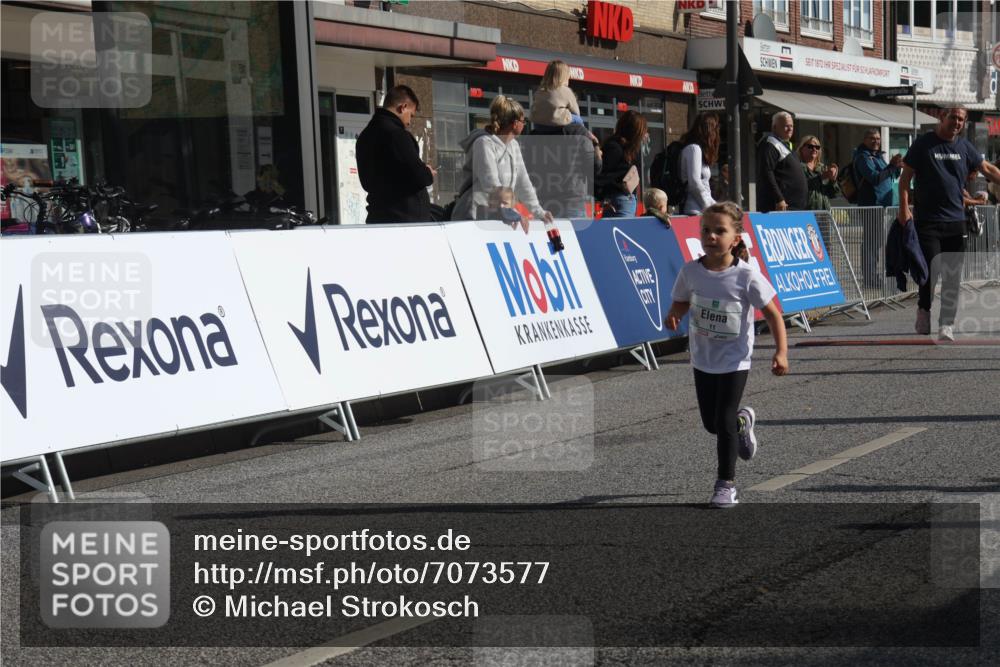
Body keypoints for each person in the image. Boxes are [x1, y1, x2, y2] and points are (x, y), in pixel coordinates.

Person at [665, 201, 788, 508]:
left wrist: (781, 352)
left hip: (735, 359)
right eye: (706, 230)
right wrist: (675, 314)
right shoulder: (691, 271)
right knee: (712, 424)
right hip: (703, 357)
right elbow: (681, 300)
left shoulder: (746, 276)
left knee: (722, 421)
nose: (711, 236)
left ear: (735, 239)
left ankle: (726, 485)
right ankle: (742, 423)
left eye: (720, 231)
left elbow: (773, 313)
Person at [898, 106, 1000, 340]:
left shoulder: (964, 147)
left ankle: (946, 324)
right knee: (930, 272)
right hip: (928, 221)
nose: (957, 122)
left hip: (956, 221)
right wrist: (903, 209)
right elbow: (905, 178)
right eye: (953, 117)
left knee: (952, 276)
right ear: (942, 117)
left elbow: (987, 168)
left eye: (961, 119)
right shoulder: (923, 144)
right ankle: (924, 308)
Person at [451, 95, 553, 225]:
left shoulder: (514, 146)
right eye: (523, 121)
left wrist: (539, 212)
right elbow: (491, 184)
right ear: (515, 123)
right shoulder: (484, 143)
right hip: (473, 216)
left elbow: (523, 183)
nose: (524, 124)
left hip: (496, 215)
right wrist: (510, 212)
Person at [355, 85, 436, 224]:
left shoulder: (365, 136)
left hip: (378, 215)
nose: (409, 122)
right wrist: (427, 172)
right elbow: (419, 175)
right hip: (404, 219)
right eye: (411, 115)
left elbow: (367, 183)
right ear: (403, 107)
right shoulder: (396, 135)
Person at [596, 110, 648, 218]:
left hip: (623, 200)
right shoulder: (616, 148)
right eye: (642, 132)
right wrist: (604, 196)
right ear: (635, 132)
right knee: (622, 229)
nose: (644, 135)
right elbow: (601, 176)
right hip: (620, 201)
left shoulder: (628, 149)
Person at [756, 111, 807, 213]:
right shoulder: (770, 143)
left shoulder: (785, 145)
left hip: (793, 208)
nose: (790, 129)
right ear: (774, 127)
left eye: (791, 126)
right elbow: (766, 172)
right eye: (786, 126)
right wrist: (779, 198)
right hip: (781, 208)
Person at [678, 113, 720, 215]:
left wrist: (715, 206)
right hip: (695, 210)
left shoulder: (697, 150)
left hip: (701, 208)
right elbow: (694, 183)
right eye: (714, 129)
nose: (716, 134)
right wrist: (709, 207)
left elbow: (703, 186)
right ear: (708, 130)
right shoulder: (694, 149)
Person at [798, 136, 839, 211]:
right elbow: (802, 186)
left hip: (824, 213)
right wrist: (822, 177)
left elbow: (832, 194)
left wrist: (833, 180)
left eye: (817, 147)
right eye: (810, 146)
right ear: (801, 149)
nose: (814, 149)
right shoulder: (797, 167)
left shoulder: (823, 168)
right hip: (805, 212)